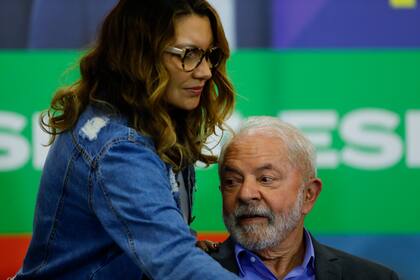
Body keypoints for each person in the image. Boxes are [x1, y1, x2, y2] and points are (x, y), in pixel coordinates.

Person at [13, 0, 239, 279]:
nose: (205, 71)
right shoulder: (120, 147)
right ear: (139, 57)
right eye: (188, 54)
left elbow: (166, 249)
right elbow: (175, 262)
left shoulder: (156, 121)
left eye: (208, 55)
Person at [210, 116, 399, 280]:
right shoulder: (188, 271)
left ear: (308, 195)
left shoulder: (372, 277)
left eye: (265, 179)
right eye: (232, 181)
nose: (245, 194)